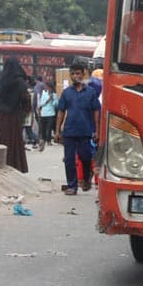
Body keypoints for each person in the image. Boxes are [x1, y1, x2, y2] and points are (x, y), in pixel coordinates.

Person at [55, 62, 101, 195]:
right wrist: (58, 131)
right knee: (69, 159)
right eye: (73, 74)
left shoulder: (90, 92)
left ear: (83, 74)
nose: (75, 76)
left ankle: (87, 177)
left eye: (78, 73)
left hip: (85, 131)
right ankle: (72, 186)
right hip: (69, 130)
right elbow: (61, 112)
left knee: (85, 157)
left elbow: (96, 112)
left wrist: (97, 131)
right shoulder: (66, 93)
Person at [0, 58, 31, 173]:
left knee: (3, 139)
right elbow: (26, 98)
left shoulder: (2, 80)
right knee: (14, 141)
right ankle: (14, 164)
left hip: (2, 116)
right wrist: (25, 111)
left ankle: (3, 163)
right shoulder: (19, 81)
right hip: (14, 116)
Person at [38, 81, 58, 151]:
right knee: (43, 128)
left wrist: (53, 99)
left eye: (48, 87)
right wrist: (48, 100)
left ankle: (49, 141)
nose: (47, 88)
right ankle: (43, 140)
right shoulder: (44, 93)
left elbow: (56, 105)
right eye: (46, 87)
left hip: (51, 113)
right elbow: (41, 103)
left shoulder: (54, 95)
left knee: (49, 128)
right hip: (44, 113)